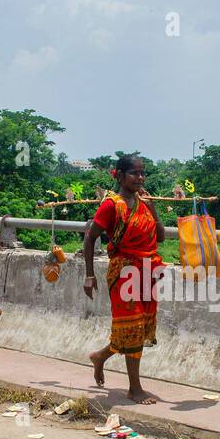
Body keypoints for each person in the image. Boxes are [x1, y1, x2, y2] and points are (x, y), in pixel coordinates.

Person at [83, 154, 165, 404]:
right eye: (134, 173)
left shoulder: (145, 204)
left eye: (142, 173)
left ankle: (100, 356)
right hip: (124, 272)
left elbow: (160, 238)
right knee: (132, 326)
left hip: (147, 271)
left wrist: (153, 211)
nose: (140, 178)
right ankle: (135, 388)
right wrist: (89, 275)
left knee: (136, 328)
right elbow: (90, 237)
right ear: (119, 175)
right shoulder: (111, 205)